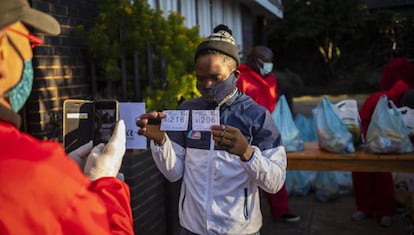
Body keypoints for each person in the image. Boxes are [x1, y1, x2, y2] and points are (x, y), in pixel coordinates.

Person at [136, 25, 287, 234]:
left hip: (239, 230)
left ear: (235, 75)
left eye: (215, 77)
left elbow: (275, 183)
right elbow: (173, 173)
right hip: (192, 228)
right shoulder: (187, 111)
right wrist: (161, 142)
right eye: (200, 77)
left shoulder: (257, 116)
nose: (206, 84)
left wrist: (247, 153)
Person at [0, 0, 133, 234]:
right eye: (31, 44)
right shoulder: (33, 166)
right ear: (2, 51)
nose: (30, 58)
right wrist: (103, 182)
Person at [236, 45, 300, 223]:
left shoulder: (271, 79)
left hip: (266, 130)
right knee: (245, 174)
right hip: (246, 131)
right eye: (265, 62)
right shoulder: (241, 77)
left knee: (273, 169)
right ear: (255, 61)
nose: (269, 65)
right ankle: (243, 215)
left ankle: (280, 210)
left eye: (271, 62)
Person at [351, 57, 414, 227]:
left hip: (390, 145)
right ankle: (366, 209)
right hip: (370, 142)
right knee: (364, 171)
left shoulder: (407, 103)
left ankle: (384, 211)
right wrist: (366, 142)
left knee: (383, 176)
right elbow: (362, 120)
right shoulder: (380, 99)